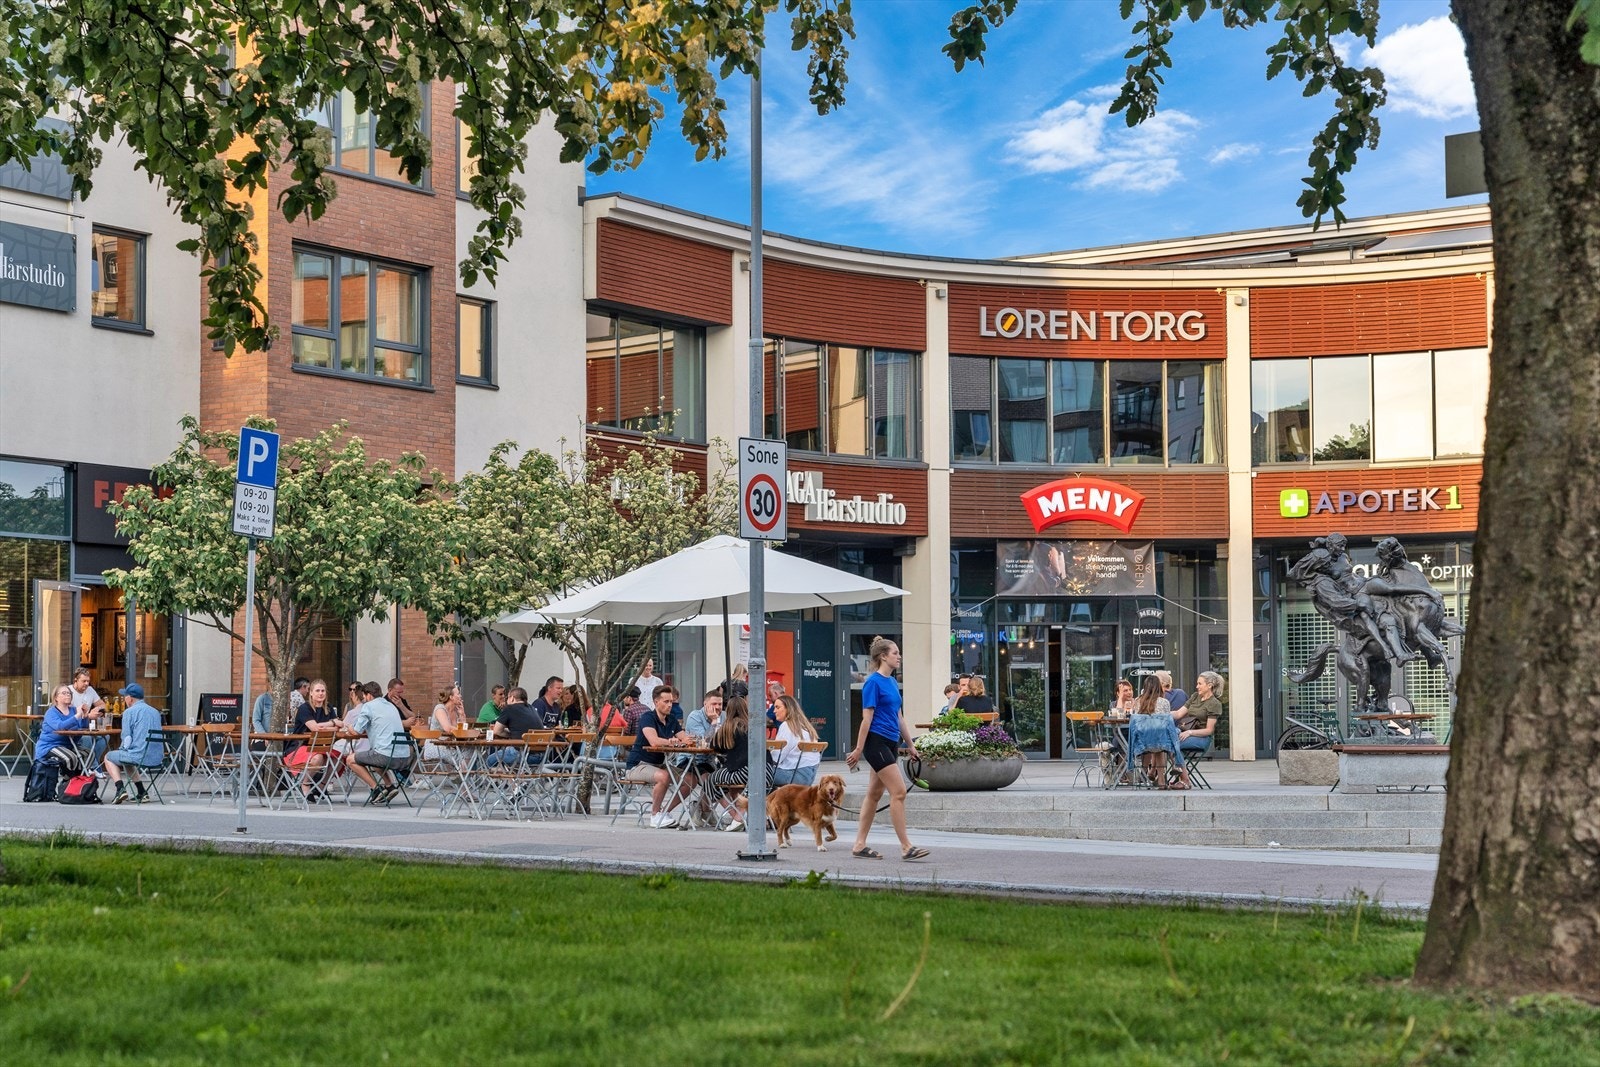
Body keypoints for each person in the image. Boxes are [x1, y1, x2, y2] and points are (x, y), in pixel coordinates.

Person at [845, 637, 928, 861]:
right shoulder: (872, 683)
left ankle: (859, 845)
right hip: (876, 742)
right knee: (899, 792)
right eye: (895, 653)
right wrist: (858, 749)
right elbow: (866, 719)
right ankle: (906, 847)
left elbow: (899, 717)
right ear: (883, 656)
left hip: (891, 742)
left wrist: (910, 745)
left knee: (873, 794)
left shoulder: (891, 682)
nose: (899, 656)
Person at [625, 684, 693, 828]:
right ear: (656, 702)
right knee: (664, 776)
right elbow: (654, 741)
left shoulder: (672, 719)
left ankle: (664, 812)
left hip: (660, 765)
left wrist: (686, 740)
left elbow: (685, 739)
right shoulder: (647, 717)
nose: (670, 705)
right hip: (639, 765)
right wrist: (672, 742)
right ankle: (655, 815)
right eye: (666, 701)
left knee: (690, 780)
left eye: (671, 702)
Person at [707, 696, 775, 832]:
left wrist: (714, 723)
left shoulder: (729, 726)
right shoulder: (755, 726)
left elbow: (714, 745)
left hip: (746, 773)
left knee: (711, 780)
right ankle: (747, 817)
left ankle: (737, 817)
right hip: (766, 772)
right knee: (733, 785)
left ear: (729, 710)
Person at [344, 681, 411, 804]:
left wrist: (348, 726)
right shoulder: (391, 706)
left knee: (350, 759)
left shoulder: (368, 706)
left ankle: (375, 789)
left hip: (387, 757)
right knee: (374, 758)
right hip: (405, 757)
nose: (364, 699)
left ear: (369, 695)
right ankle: (389, 786)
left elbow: (356, 731)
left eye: (364, 696)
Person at [102, 682, 162, 804]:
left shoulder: (129, 712)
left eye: (125, 696)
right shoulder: (155, 712)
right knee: (127, 757)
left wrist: (121, 750)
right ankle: (141, 792)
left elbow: (127, 739)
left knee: (108, 757)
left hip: (139, 756)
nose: (124, 699)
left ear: (130, 698)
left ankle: (120, 788)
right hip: (157, 757)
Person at [284, 678, 340, 799]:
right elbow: (314, 728)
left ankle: (321, 785)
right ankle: (305, 784)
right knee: (318, 758)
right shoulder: (305, 708)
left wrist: (327, 725)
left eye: (323, 691)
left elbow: (338, 727)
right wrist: (332, 723)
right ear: (311, 693)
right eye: (317, 691)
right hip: (299, 747)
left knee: (339, 758)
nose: (320, 693)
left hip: (319, 746)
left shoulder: (328, 707)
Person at [1128, 675, 1185, 789]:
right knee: (1162, 736)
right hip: (1161, 741)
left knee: (1155, 738)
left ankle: (1153, 774)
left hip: (1142, 742)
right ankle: (1167, 774)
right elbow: (1167, 722)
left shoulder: (1138, 701)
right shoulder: (1164, 702)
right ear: (1159, 687)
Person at [36, 682, 98, 776]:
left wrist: (85, 716)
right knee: (70, 757)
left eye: (69, 693)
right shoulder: (51, 712)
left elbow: (83, 728)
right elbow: (60, 726)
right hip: (50, 746)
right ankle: (68, 780)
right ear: (56, 697)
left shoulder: (73, 710)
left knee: (89, 754)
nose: (68, 695)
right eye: (64, 693)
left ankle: (78, 779)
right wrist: (78, 715)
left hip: (70, 745)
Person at [772, 693, 822, 787]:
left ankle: (762, 797)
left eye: (777, 707)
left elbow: (777, 757)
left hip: (793, 775)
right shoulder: (805, 726)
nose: (774, 711)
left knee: (756, 772)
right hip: (809, 775)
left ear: (788, 708)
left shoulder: (787, 726)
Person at [1178, 671, 1225, 767]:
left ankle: (1181, 772)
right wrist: (1162, 714)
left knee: (1173, 743)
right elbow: (1179, 713)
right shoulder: (1195, 696)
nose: (1197, 686)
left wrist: (1190, 732)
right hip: (1186, 734)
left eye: (1200, 684)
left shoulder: (1214, 704)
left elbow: (1209, 730)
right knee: (1168, 737)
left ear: (1209, 685)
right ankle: (1176, 770)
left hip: (1202, 738)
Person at [487, 686, 544, 766]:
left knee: (490, 760)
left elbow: (496, 731)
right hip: (541, 757)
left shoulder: (509, 708)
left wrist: (511, 734)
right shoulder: (532, 708)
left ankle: (500, 775)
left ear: (512, 698)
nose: (506, 701)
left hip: (522, 754)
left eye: (507, 698)